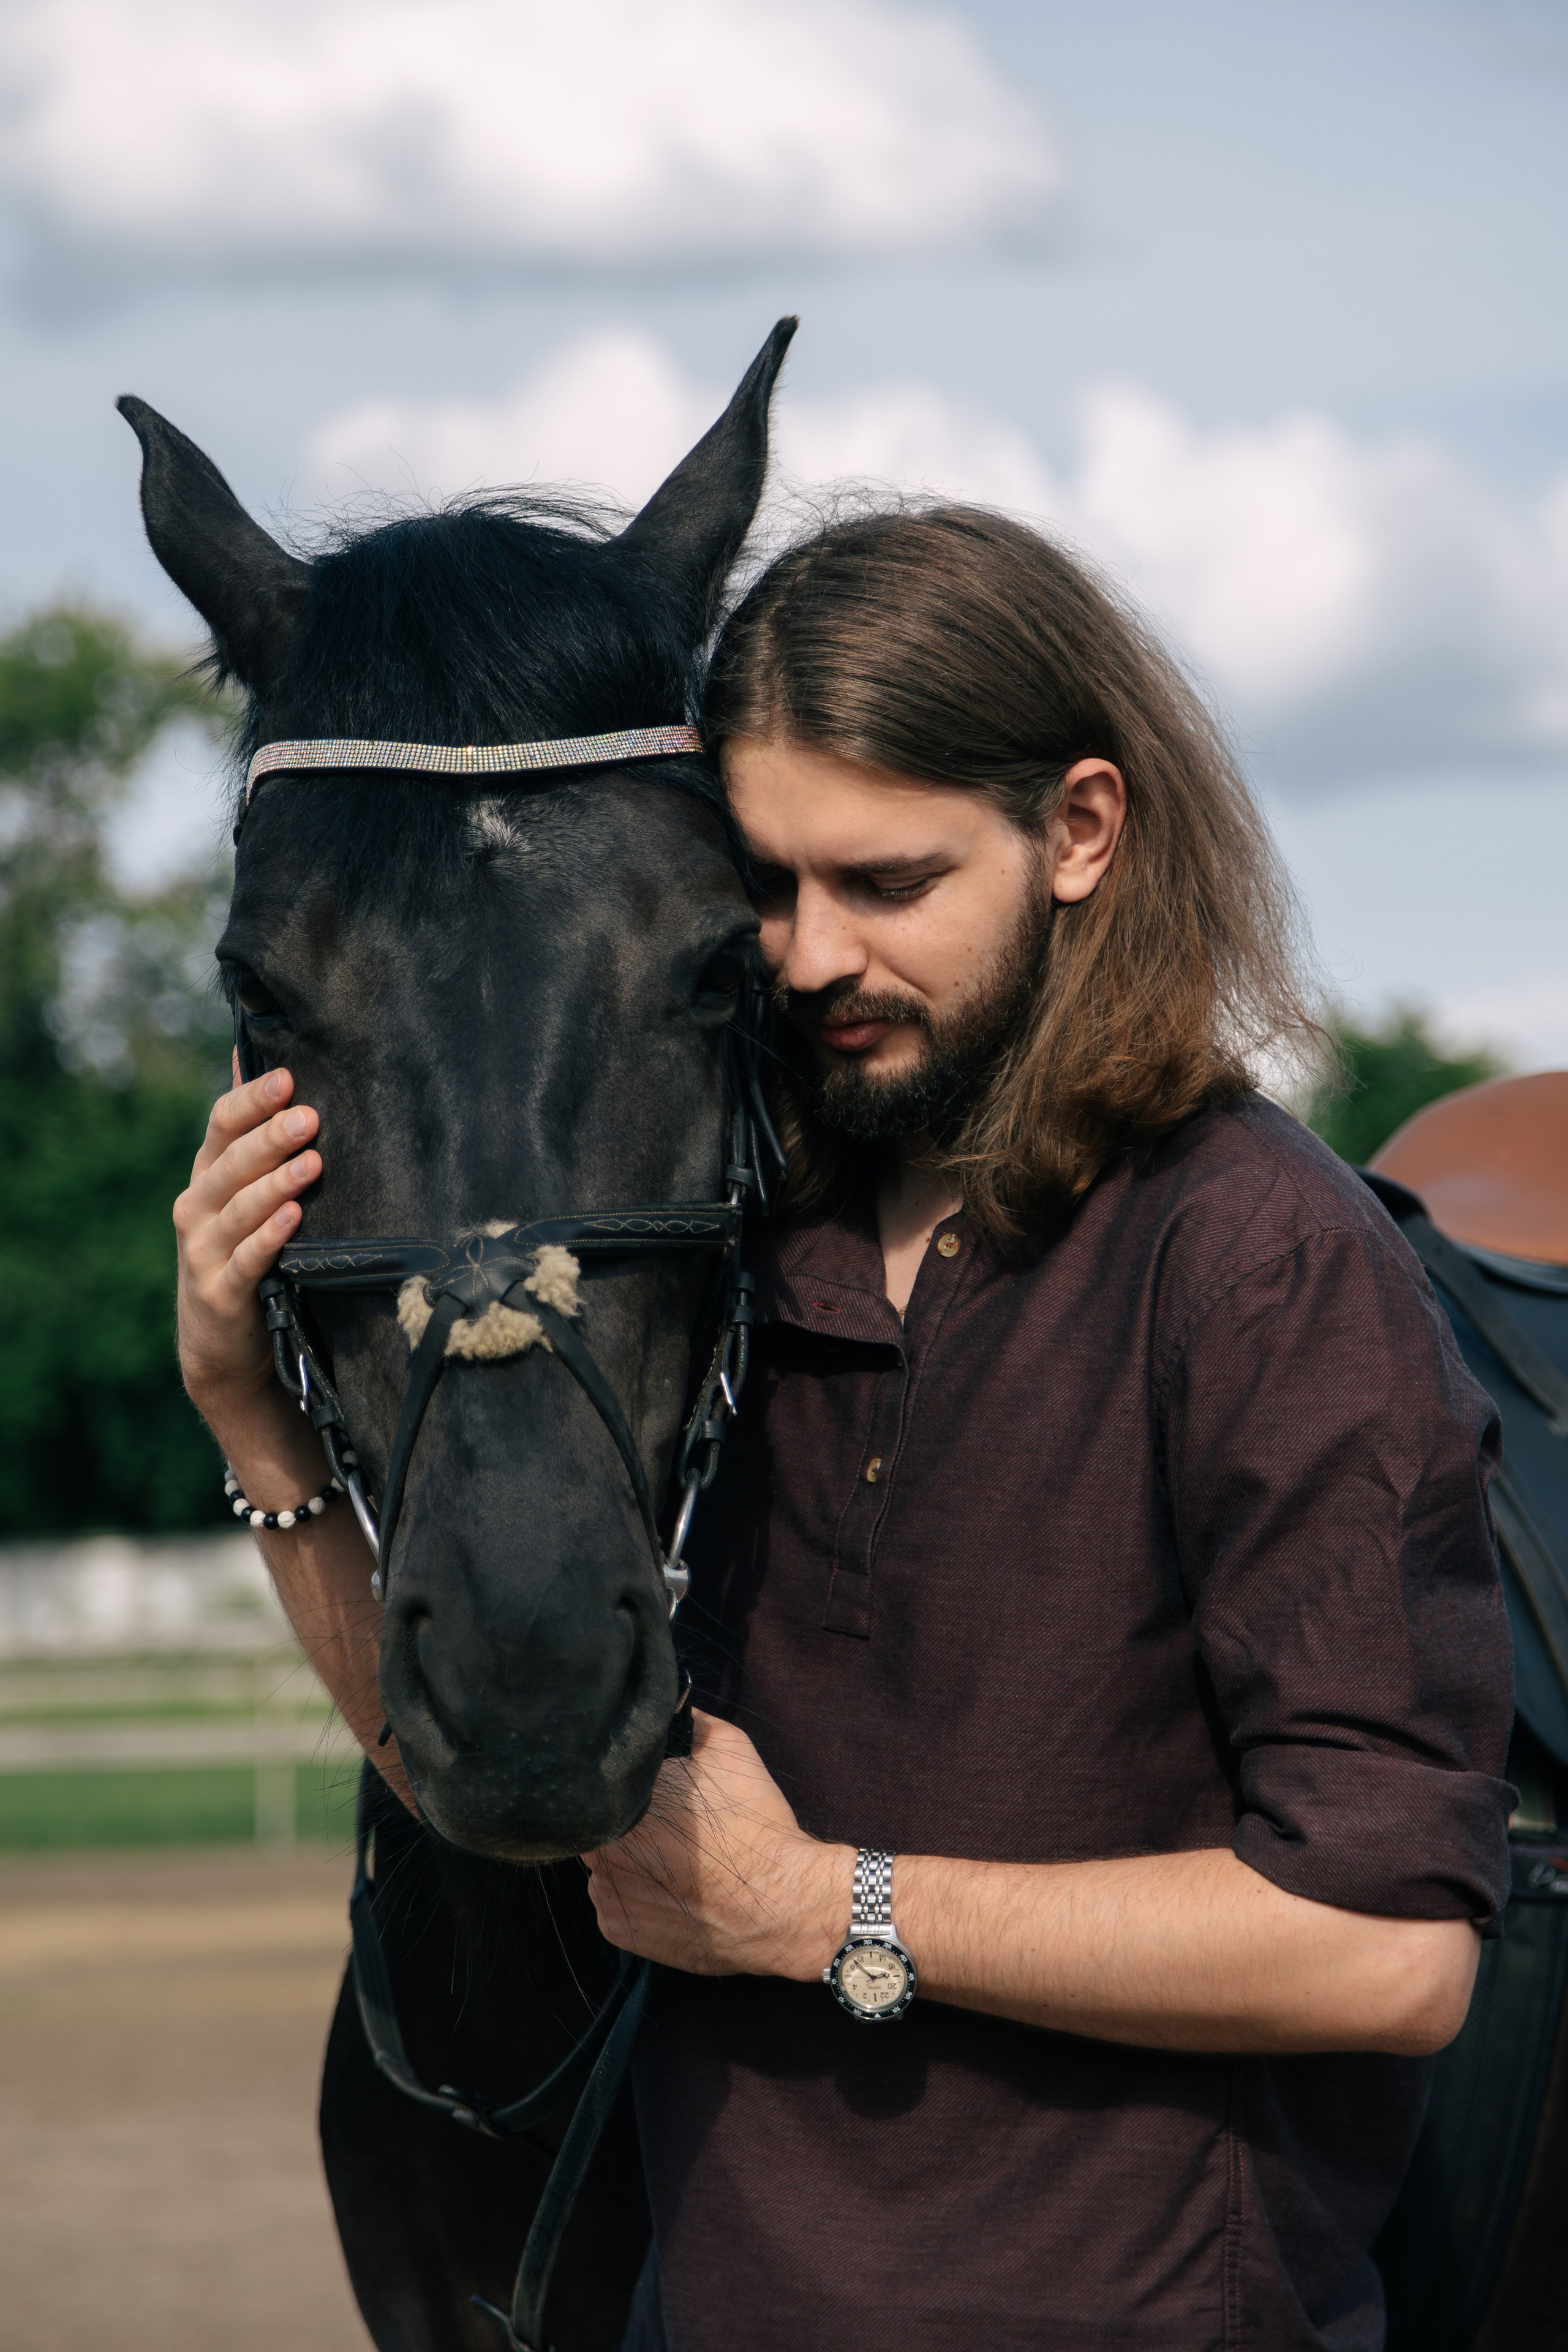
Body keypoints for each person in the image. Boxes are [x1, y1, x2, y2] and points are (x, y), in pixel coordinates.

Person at [176, 505, 1513, 2352]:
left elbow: (1389, 1954)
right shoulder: (733, 1262)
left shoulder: (1260, 1261)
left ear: (1081, 833)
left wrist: (821, 1908)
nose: (809, 959)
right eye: (770, 888)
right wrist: (252, 1415)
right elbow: (491, 1770)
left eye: (886, 883)